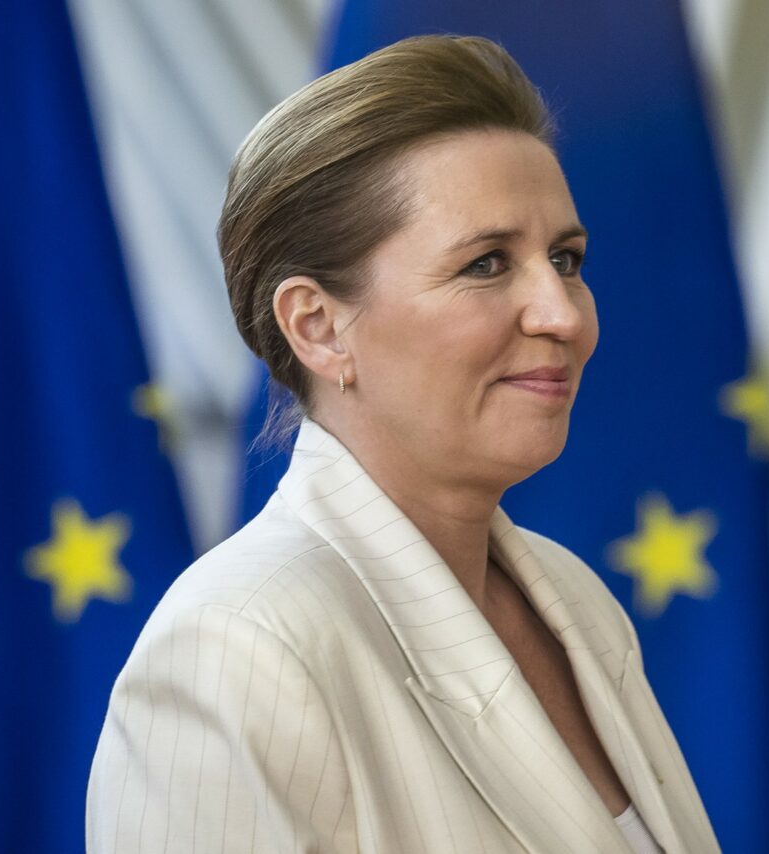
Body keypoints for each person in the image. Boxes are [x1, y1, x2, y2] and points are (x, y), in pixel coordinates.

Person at [87, 34, 720, 854]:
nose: (563, 314)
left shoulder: (576, 599)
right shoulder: (236, 648)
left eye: (566, 259)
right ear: (318, 327)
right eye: (486, 264)